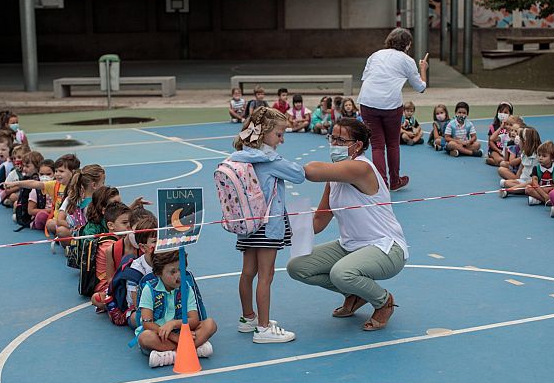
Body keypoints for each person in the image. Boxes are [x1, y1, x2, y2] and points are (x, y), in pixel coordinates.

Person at [287, 118, 407, 331]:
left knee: (341, 273)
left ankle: (383, 301)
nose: (334, 143)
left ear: (358, 145)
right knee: (297, 267)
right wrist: (284, 232)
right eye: (332, 138)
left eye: (340, 140)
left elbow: (313, 171)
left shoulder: (361, 168)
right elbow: (319, 220)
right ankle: (354, 293)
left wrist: (279, 168)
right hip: (350, 246)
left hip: (386, 247)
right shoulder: (334, 177)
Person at [230, 107, 305, 343]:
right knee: (266, 275)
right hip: (266, 225)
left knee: (248, 272)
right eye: (279, 134)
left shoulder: (240, 156)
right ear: (264, 133)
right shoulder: (270, 159)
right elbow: (299, 174)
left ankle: (248, 318)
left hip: (247, 223)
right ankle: (263, 329)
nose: (281, 140)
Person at [357, 27, 428, 191]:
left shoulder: (375, 55)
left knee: (377, 146)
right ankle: (394, 181)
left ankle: (381, 183)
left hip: (367, 102)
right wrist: (423, 69)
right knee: (392, 144)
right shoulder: (407, 60)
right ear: (407, 45)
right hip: (390, 105)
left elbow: (366, 77)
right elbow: (421, 88)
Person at [137, 250, 217, 368]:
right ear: (159, 273)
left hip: (184, 332)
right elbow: (147, 323)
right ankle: (191, 350)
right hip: (160, 335)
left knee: (210, 324)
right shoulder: (149, 289)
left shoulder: (186, 288)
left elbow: (194, 320)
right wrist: (174, 337)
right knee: (145, 337)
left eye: (181, 269)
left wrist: (174, 324)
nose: (178, 275)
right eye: (173, 272)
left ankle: (171, 355)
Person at [56, 164, 106, 246]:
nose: (104, 186)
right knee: (61, 230)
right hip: (88, 236)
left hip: (84, 234)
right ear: (94, 185)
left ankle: (75, 247)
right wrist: (74, 227)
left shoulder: (93, 202)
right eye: (102, 183)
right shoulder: (92, 205)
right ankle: (76, 248)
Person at [500, 127, 541, 197]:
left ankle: (509, 191)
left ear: (526, 142)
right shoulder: (524, 153)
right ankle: (520, 189)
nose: (519, 142)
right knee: (505, 183)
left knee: (530, 184)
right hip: (523, 180)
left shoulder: (538, 155)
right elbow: (519, 171)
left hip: (533, 181)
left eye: (521, 139)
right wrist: (517, 181)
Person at [524, 141, 554, 205]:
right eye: (539, 155)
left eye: (544, 156)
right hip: (540, 190)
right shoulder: (536, 168)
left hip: (551, 190)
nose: (540, 158)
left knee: (552, 189)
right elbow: (535, 184)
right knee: (528, 189)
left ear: (552, 159)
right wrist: (545, 196)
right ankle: (548, 201)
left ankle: (539, 200)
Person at [486, 102, 514, 166]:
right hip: (495, 151)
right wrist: (498, 150)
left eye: (505, 112)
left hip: (508, 151)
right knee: (500, 159)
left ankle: (493, 162)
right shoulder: (493, 127)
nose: (502, 114)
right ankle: (498, 161)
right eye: (500, 112)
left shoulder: (512, 127)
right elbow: (491, 141)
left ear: (510, 114)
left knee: (509, 159)